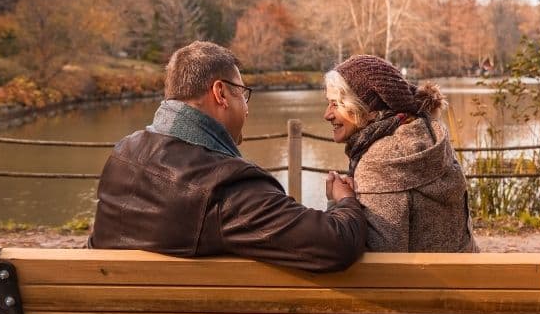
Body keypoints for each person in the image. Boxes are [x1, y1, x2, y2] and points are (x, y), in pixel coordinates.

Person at [89, 40, 368, 271]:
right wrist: (344, 200)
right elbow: (336, 243)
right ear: (220, 93)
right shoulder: (225, 186)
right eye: (242, 95)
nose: (246, 109)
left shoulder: (122, 155)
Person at [324, 54, 478, 253]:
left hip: (422, 282)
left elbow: (378, 261)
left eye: (336, 104)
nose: (327, 114)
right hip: (464, 272)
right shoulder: (428, 131)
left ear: (370, 110)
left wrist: (340, 202)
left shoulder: (380, 159)